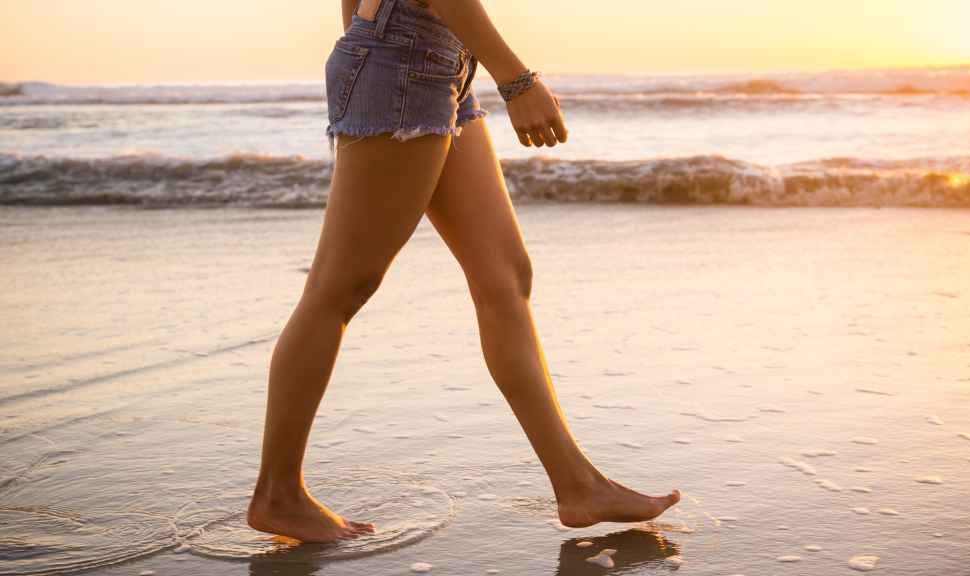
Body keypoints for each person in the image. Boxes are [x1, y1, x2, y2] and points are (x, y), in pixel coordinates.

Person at [247, 0, 681, 542]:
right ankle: (277, 495)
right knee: (340, 287)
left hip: (430, 57)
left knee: (505, 275)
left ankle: (577, 485)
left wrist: (364, 38)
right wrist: (517, 81)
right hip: (404, 56)